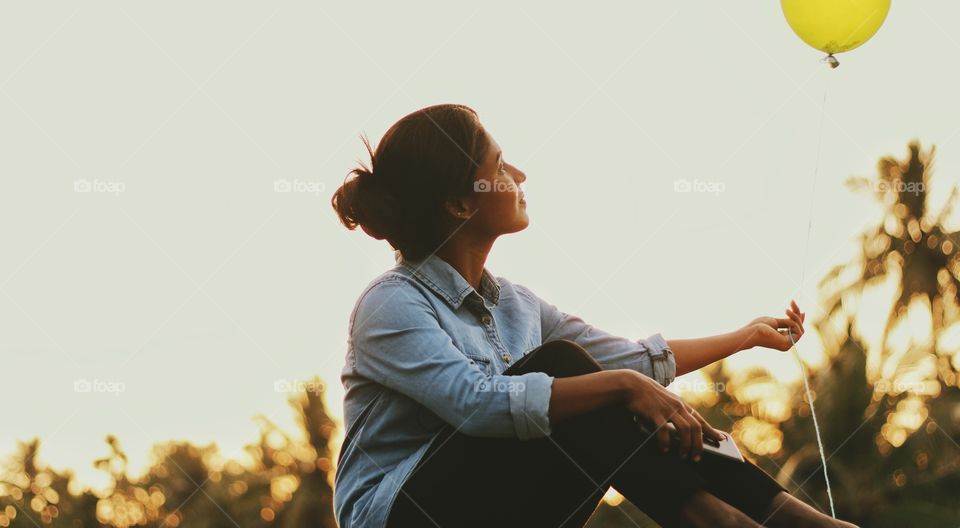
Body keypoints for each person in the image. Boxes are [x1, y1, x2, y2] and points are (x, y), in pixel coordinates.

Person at [330, 104, 858, 528]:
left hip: (504, 500)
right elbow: (474, 405)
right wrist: (621, 386)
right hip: (404, 513)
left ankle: (758, 515)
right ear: (460, 205)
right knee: (572, 376)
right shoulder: (391, 304)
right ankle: (726, 518)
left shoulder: (516, 304)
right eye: (499, 167)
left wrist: (744, 337)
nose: (519, 174)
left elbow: (633, 360)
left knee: (588, 383)